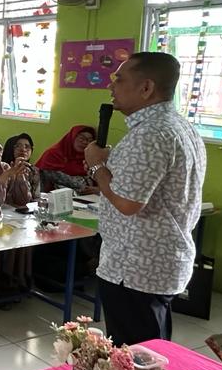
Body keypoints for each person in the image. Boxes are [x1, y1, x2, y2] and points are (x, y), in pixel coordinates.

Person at [83, 52, 205, 345]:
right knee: (151, 350)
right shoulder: (178, 127)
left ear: (146, 88)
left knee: (137, 357)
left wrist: (97, 166)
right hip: (155, 264)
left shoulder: (150, 134)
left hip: (136, 269)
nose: (111, 86)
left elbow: (127, 203)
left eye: (119, 79)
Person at [37, 125, 99, 193]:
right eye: (81, 138)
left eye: (90, 140)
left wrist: (97, 189)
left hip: (87, 197)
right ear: (72, 137)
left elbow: (99, 179)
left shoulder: (90, 157)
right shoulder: (53, 154)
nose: (85, 142)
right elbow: (45, 179)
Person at [1, 133, 41, 202]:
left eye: (27, 146)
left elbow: (36, 196)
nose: (23, 149)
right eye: (18, 146)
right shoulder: (1, 168)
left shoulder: (33, 170)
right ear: (10, 148)